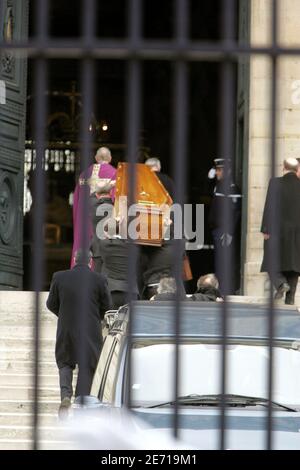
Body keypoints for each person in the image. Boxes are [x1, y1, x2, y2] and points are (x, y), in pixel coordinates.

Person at [46, 249, 112, 418]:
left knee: (65, 363)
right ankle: (80, 401)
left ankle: (66, 396)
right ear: (91, 262)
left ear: (74, 260)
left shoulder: (59, 276)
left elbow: (51, 303)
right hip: (90, 329)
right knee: (87, 365)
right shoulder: (99, 279)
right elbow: (107, 306)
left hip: (66, 328)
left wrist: (64, 315)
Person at [261, 158, 300, 304]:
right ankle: (289, 301)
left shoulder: (275, 183)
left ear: (283, 168)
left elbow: (268, 207)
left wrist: (265, 228)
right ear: (297, 170)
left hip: (277, 231)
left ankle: (280, 283)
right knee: (294, 267)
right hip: (297, 233)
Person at [71, 147, 117, 267]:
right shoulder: (115, 174)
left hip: (85, 221)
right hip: (105, 221)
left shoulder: (84, 174)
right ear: (110, 158)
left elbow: (76, 201)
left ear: (96, 158)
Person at [208, 158, 242, 295]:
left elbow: (235, 213)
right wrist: (209, 177)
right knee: (219, 262)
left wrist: (229, 232)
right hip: (217, 230)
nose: (217, 173)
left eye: (219, 170)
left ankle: (225, 290)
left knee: (224, 262)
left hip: (224, 231)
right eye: (216, 170)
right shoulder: (219, 186)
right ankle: (220, 290)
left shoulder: (232, 188)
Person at [96, 218, 139, 309]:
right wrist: (121, 226)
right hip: (132, 291)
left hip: (113, 291)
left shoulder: (104, 245)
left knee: (112, 320)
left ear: (106, 232)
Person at [89, 180, 115, 273]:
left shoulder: (91, 204)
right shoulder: (117, 205)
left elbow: (92, 195)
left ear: (97, 194)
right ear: (111, 192)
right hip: (113, 247)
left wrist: (108, 186)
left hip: (97, 248)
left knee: (98, 276)